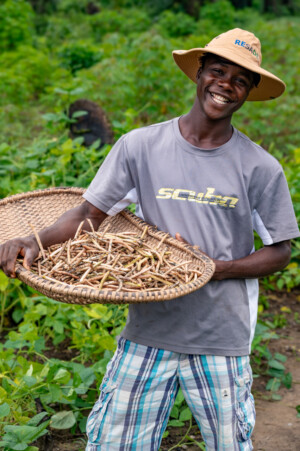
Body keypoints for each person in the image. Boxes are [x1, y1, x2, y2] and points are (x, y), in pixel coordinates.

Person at [0, 28, 299, 450]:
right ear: (199, 72)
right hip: (147, 331)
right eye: (218, 71)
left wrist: (219, 269)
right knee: (115, 443)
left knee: (230, 444)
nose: (225, 85)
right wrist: (33, 240)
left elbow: (280, 251)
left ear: (248, 91)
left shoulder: (260, 167)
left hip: (221, 337)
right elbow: (89, 214)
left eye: (239, 80)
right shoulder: (140, 146)